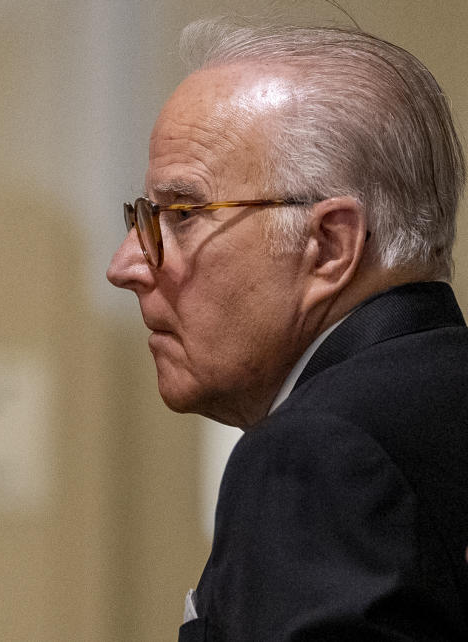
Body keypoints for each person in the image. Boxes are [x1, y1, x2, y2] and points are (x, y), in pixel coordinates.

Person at [106, 18, 468, 640]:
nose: (126, 265)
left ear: (329, 245)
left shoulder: (318, 454)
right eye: (144, 217)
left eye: (183, 214)